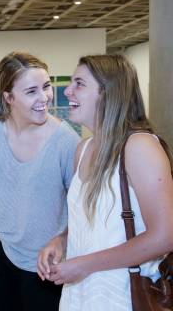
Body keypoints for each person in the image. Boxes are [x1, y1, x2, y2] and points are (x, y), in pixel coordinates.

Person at [37, 54, 173, 310]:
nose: (67, 90)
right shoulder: (83, 149)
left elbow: (165, 236)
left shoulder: (139, 146)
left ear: (109, 93)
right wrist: (62, 240)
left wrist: (83, 264)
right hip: (80, 295)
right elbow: (95, 223)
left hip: (123, 295)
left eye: (79, 83)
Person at [0, 52, 79, 310]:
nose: (44, 97)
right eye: (31, 91)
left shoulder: (66, 142)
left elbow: (81, 209)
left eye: (47, 87)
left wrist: (62, 240)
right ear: (8, 97)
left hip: (44, 259)